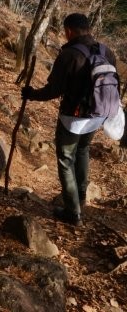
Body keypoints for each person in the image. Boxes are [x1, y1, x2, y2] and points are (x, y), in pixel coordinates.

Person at [21, 13, 117, 226]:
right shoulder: (106, 51)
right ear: (88, 28)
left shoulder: (70, 54)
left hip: (73, 118)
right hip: (98, 114)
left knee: (66, 159)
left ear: (69, 31)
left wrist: (31, 94)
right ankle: (80, 198)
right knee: (83, 150)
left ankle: (72, 212)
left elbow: (53, 90)